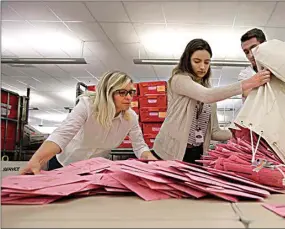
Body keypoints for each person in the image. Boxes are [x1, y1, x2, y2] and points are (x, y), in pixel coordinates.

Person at [152, 38, 271, 164]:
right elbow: (206, 95)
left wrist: (240, 134)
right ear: (187, 61)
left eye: (207, 62)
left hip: (196, 153)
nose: (202, 67)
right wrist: (249, 83)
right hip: (169, 151)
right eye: (197, 61)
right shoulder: (179, 80)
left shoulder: (208, 93)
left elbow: (214, 132)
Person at [20, 70, 156, 175]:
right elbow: (62, 134)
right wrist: (37, 160)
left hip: (93, 169)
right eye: (122, 92)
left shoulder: (130, 117)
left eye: (131, 92)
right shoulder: (87, 106)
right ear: (107, 93)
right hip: (64, 164)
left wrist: (152, 161)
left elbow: (139, 146)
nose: (128, 98)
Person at [239, 28, 271, 99]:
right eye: (246, 52)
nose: (250, 55)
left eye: (254, 48)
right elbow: (246, 93)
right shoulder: (245, 74)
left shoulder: (279, 66)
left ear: (265, 45)